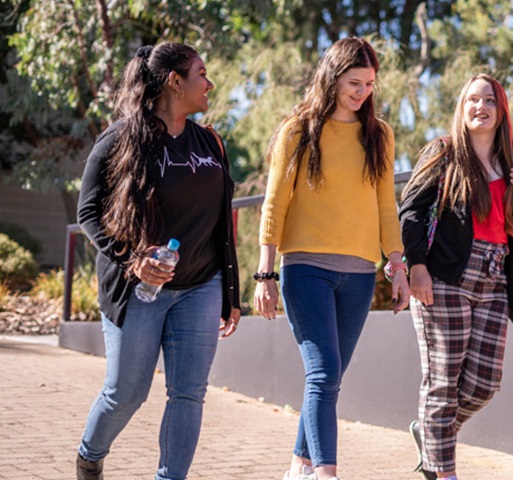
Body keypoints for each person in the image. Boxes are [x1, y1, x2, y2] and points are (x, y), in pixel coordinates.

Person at [75, 42, 241, 480]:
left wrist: (231, 292)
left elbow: (223, 223)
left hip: (200, 286)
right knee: (126, 393)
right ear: (174, 81)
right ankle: (90, 455)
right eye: (201, 74)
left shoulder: (211, 143)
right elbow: (88, 213)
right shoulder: (121, 137)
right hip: (139, 289)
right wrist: (132, 259)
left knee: (188, 393)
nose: (209, 83)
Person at [254, 36, 410, 480]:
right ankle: (326, 473)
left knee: (330, 378)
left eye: (369, 84)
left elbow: (385, 207)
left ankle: (299, 466)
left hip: (360, 275)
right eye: (353, 82)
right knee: (323, 374)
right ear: (332, 76)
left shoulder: (379, 136)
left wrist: (396, 267)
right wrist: (265, 274)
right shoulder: (298, 131)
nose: (362, 92)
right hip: (305, 270)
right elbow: (274, 205)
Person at [399, 73, 513, 480]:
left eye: (489, 101)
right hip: (444, 278)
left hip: (495, 278)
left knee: (484, 383)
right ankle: (443, 472)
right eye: (472, 100)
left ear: (501, 112)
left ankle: (429, 432)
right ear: (462, 110)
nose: (480, 107)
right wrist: (417, 267)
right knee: (443, 380)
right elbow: (410, 211)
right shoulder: (444, 153)